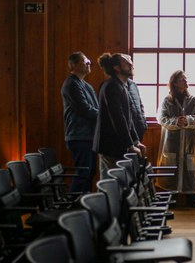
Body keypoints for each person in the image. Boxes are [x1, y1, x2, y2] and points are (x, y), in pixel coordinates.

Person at [93, 52, 146, 179]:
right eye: (126, 62)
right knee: (110, 185)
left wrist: (135, 141)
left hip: (118, 145)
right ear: (117, 68)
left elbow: (129, 119)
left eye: (130, 61)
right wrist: (129, 145)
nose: (131, 64)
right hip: (110, 146)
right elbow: (117, 119)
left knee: (119, 185)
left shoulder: (122, 85)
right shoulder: (111, 86)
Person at [156, 70, 195, 208]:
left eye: (185, 78)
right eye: (182, 79)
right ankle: (170, 198)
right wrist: (177, 122)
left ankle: (192, 198)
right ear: (175, 83)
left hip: (189, 141)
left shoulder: (193, 99)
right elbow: (161, 118)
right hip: (171, 141)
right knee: (171, 169)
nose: (185, 81)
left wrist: (188, 120)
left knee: (190, 168)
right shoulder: (167, 100)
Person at [61, 51, 99, 192]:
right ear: (74, 65)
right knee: (83, 173)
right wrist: (105, 115)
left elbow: (96, 108)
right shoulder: (71, 84)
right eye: (85, 61)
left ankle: (85, 204)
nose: (89, 63)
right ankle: (74, 208)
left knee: (90, 173)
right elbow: (85, 109)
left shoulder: (86, 85)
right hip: (79, 136)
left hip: (90, 136)